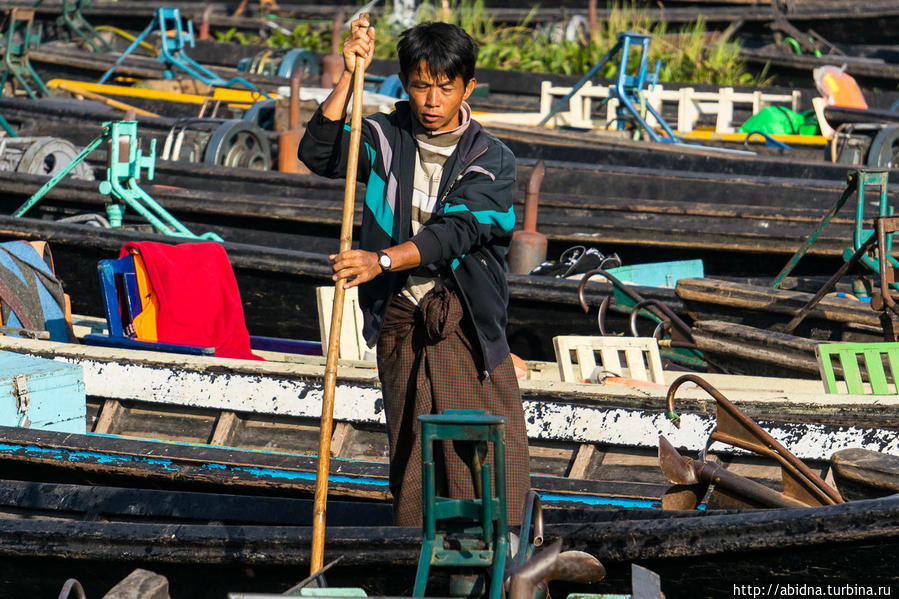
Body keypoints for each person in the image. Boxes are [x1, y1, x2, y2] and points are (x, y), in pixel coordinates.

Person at [298, 17, 530, 527]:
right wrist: (349, 76)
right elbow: (317, 153)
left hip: (465, 320)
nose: (431, 101)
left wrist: (380, 259)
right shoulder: (383, 134)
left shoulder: (493, 159)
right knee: (411, 442)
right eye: (421, 87)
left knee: (483, 449)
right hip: (400, 316)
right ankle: (417, 546)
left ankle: (497, 548)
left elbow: (455, 233)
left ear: (467, 88)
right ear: (406, 85)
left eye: (445, 89)